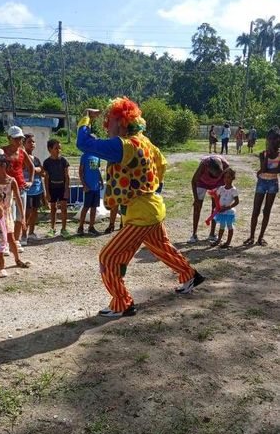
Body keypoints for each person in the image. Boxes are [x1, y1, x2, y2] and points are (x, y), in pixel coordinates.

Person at [76, 97, 205, 318]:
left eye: (111, 121)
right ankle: (189, 274)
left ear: (123, 122)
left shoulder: (124, 145)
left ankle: (122, 303)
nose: (107, 126)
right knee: (162, 247)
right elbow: (162, 163)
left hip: (141, 215)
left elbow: (84, 144)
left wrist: (86, 118)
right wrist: (154, 189)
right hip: (152, 209)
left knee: (108, 257)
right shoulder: (144, 141)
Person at [0, 150, 30, 268]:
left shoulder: (12, 181)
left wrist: (23, 216)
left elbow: (18, 199)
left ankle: (17, 259)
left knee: (11, 237)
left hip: (7, 214)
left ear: (3, 166)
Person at [243, 126, 280, 247]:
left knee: (267, 211)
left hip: (272, 184)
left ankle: (260, 237)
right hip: (262, 183)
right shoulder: (263, 154)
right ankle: (252, 236)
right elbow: (265, 170)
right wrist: (267, 158)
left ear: (277, 139)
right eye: (269, 139)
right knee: (256, 210)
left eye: (273, 139)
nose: (270, 141)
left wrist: (265, 170)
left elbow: (276, 171)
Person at [2, 126, 34, 247]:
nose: (19, 141)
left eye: (20, 138)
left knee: (20, 215)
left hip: (20, 187)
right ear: (9, 138)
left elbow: (31, 167)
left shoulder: (22, 151)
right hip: (6, 188)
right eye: (16, 138)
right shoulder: (2, 151)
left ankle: (15, 241)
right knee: (9, 216)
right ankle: (6, 241)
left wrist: (30, 181)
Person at [188, 155, 229, 244]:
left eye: (219, 174)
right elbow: (194, 181)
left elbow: (227, 181)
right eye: (215, 174)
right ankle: (194, 235)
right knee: (197, 207)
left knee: (215, 208)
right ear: (209, 169)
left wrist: (224, 197)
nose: (216, 176)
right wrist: (196, 199)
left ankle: (212, 234)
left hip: (217, 184)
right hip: (202, 183)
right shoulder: (204, 164)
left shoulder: (225, 165)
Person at [43, 140, 70, 238]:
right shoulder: (47, 162)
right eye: (56, 148)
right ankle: (52, 228)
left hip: (62, 187)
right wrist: (47, 192)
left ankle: (64, 228)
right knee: (53, 208)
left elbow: (67, 176)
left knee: (64, 208)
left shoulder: (64, 161)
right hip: (52, 187)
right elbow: (46, 178)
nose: (58, 150)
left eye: (59, 148)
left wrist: (67, 189)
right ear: (50, 149)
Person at [21, 133, 44, 244]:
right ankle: (23, 235)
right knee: (26, 213)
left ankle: (31, 232)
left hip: (37, 189)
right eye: (29, 142)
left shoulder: (36, 159)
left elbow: (42, 172)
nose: (32, 144)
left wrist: (35, 169)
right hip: (26, 189)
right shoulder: (21, 157)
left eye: (33, 142)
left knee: (34, 211)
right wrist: (36, 169)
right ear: (24, 143)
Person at [210, 168, 239, 249]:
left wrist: (228, 207)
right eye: (225, 177)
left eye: (228, 177)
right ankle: (218, 240)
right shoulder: (221, 188)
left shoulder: (233, 190)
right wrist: (217, 207)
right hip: (221, 211)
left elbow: (237, 202)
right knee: (221, 226)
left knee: (230, 226)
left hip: (229, 212)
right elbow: (217, 198)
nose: (226, 179)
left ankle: (228, 242)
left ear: (233, 178)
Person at [77, 151, 103, 236]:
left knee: (94, 208)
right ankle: (80, 227)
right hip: (88, 187)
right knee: (86, 207)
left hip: (96, 187)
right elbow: (80, 171)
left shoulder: (97, 155)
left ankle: (91, 227)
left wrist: (101, 181)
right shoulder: (85, 156)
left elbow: (97, 169)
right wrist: (84, 184)